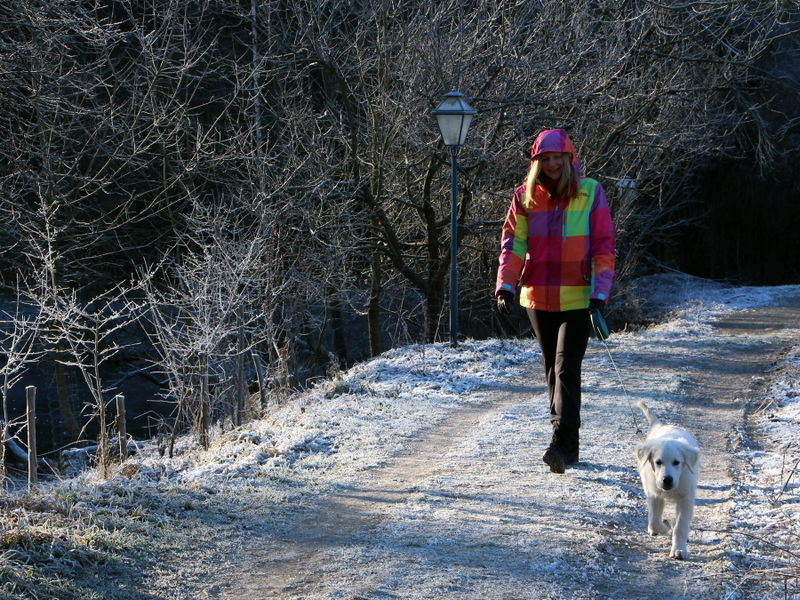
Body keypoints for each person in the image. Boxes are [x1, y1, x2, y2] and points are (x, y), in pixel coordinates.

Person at [495, 129, 615, 474]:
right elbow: (513, 244)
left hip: (579, 297)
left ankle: (559, 445)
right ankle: (568, 446)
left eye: (557, 158)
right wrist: (505, 285)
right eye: (544, 159)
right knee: (552, 370)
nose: (551, 164)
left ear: (569, 159)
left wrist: (599, 294)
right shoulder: (524, 196)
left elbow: (604, 246)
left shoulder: (590, 192)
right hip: (537, 296)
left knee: (565, 369)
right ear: (536, 163)